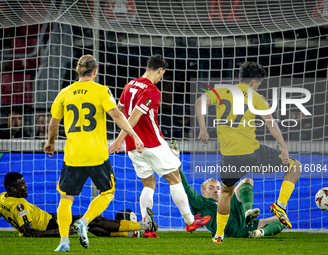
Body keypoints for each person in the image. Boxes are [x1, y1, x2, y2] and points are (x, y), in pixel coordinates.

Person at [43, 54, 145, 252]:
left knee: (66, 199)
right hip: (97, 154)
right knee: (107, 192)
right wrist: (134, 135)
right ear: (95, 72)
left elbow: (54, 123)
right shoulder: (101, 91)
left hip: (73, 155)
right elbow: (116, 114)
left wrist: (50, 143)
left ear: (77, 71)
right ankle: (85, 221)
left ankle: (64, 241)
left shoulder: (64, 92)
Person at [195, 62, 302, 243]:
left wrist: (203, 129)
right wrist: (283, 147)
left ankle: (219, 235)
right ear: (253, 82)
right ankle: (280, 204)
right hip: (253, 153)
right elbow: (270, 123)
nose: (258, 86)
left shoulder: (221, 91)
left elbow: (199, 102)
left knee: (227, 192)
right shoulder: (256, 97)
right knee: (295, 166)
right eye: (259, 84)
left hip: (229, 157)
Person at [108, 54, 211, 238]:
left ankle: (147, 228)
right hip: (150, 141)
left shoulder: (129, 85)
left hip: (133, 146)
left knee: (148, 184)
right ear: (160, 70)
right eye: (163, 73)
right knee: (174, 177)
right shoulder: (152, 90)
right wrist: (119, 139)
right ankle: (189, 221)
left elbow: (119, 110)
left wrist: (124, 140)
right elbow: (135, 117)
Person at [169, 141, 285, 239]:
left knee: (281, 218)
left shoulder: (225, 199)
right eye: (211, 188)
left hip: (244, 227)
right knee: (234, 191)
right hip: (224, 227)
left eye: (218, 188)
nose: (216, 190)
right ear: (203, 193)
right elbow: (186, 187)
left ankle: (257, 229)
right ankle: (248, 217)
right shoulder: (201, 203)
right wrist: (176, 162)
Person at [0, 172, 156, 238]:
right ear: (12, 189)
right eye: (22, 185)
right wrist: (60, 232)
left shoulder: (2, 198)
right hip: (51, 224)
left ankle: (129, 233)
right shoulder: (18, 205)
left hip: (50, 218)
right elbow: (29, 232)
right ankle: (142, 226)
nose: (25, 187)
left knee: (90, 226)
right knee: (93, 220)